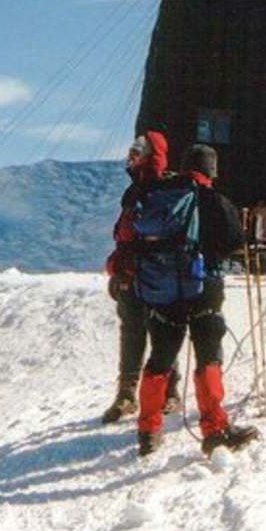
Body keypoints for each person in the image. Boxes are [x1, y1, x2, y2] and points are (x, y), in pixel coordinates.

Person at [136, 144, 258, 457]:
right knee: (208, 357)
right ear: (211, 171)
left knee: (160, 357)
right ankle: (214, 429)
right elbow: (234, 241)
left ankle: (148, 430)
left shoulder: (159, 196)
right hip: (204, 286)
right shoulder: (214, 200)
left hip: (163, 289)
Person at [101, 130, 181, 424]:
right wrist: (117, 266)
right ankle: (126, 393)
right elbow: (124, 237)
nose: (130, 157)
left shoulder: (167, 188)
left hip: (159, 274)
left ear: (151, 155)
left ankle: (170, 391)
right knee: (132, 332)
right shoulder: (133, 191)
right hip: (131, 276)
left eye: (137, 151)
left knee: (162, 333)